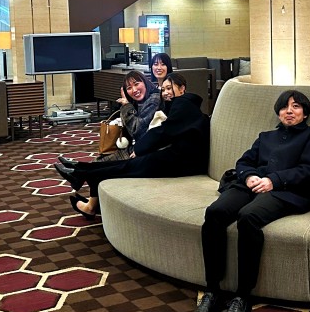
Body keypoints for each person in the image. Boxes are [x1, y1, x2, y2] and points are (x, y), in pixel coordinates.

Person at [189, 90, 310, 312]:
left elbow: (309, 170)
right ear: (278, 112)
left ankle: (243, 296)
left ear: (305, 113)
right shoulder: (266, 137)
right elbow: (244, 162)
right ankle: (213, 290)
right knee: (215, 213)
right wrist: (250, 176)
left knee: (248, 216)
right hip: (250, 185)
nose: (289, 111)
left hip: (286, 191)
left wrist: (273, 180)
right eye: (284, 107)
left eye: (296, 106)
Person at [55, 72, 209, 218]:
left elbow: (164, 132)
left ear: (182, 88)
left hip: (184, 161)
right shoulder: (182, 104)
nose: (166, 93)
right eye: (163, 89)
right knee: (123, 165)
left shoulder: (183, 104)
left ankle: (80, 173)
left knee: (127, 166)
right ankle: (79, 171)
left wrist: (140, 148)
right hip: (177, 157)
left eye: (170, 88)